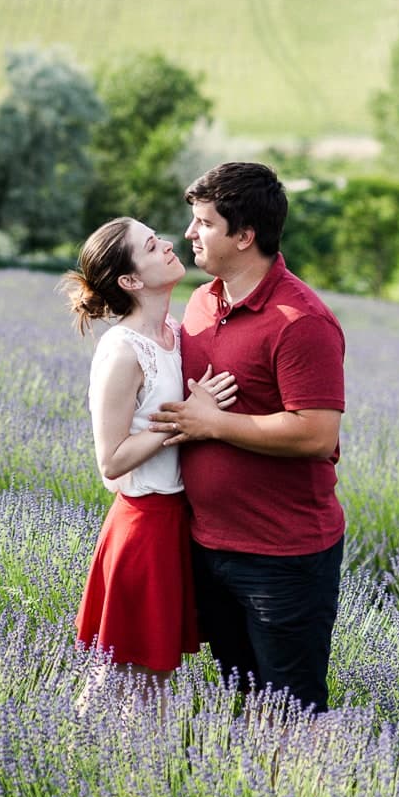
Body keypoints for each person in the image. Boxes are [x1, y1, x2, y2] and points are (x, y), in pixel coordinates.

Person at [151, 161, 346, 714]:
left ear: (244, 235)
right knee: (239, 700)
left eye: (204, 223)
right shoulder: (199, 302)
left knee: (292, 710)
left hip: (282, 557)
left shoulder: (300, 320)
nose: (190, 233)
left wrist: (212, 424)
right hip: (207, 545)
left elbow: (315, 432)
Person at [60, 215, 237, 687]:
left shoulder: (177, 334)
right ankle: (76, 759)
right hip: (141, 528)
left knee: (154, 685)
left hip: (178, 524)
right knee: (116, 682)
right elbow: (110, 462)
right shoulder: (122, 350)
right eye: (150, 245)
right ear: (131, 280)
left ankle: (139, 762)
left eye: (158, 237)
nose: (167, 245)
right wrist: (186, 417)